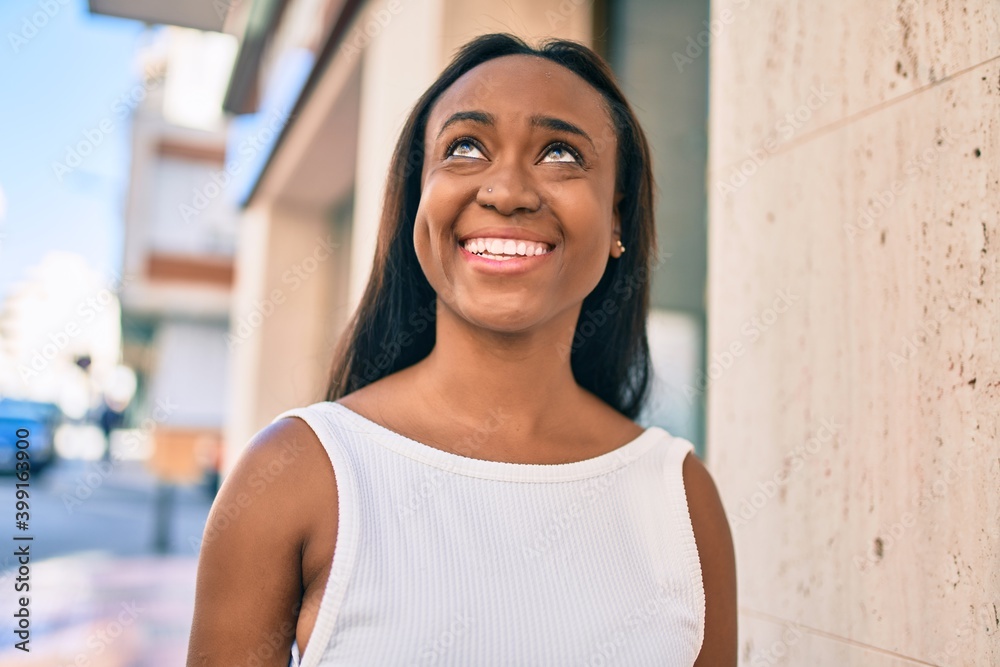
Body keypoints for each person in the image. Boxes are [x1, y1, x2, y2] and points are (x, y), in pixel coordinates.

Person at [187, 32, 736, 666]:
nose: (507, 191)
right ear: (418, 201)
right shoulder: (296, 473)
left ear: (617, 220)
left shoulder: (680, 500)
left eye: (560, 153)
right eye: (465, 148)